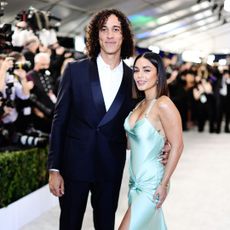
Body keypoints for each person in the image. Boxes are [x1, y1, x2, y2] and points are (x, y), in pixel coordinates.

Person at [48, 9, 169, 230]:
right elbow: (59, 120)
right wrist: (54, 169)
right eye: (104, 30)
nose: (110, 35)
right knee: (69, 224)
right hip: (74, 165)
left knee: (105, 224)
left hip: (110, 166)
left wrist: (165, 142)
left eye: (116, 29)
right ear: (96, 35)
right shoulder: (75, 70)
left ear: (124, 36)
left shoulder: (133, 78)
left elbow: (147, 115)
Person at [119, 52, 184, 230]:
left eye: (146, 70)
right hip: (134, 182)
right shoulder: (138, 106)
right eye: (136, 70)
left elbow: (178, 145)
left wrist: (163, 184)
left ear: (158, 75)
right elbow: (131, 144)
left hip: (152, 183)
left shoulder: (163, 104)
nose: (140, 75)